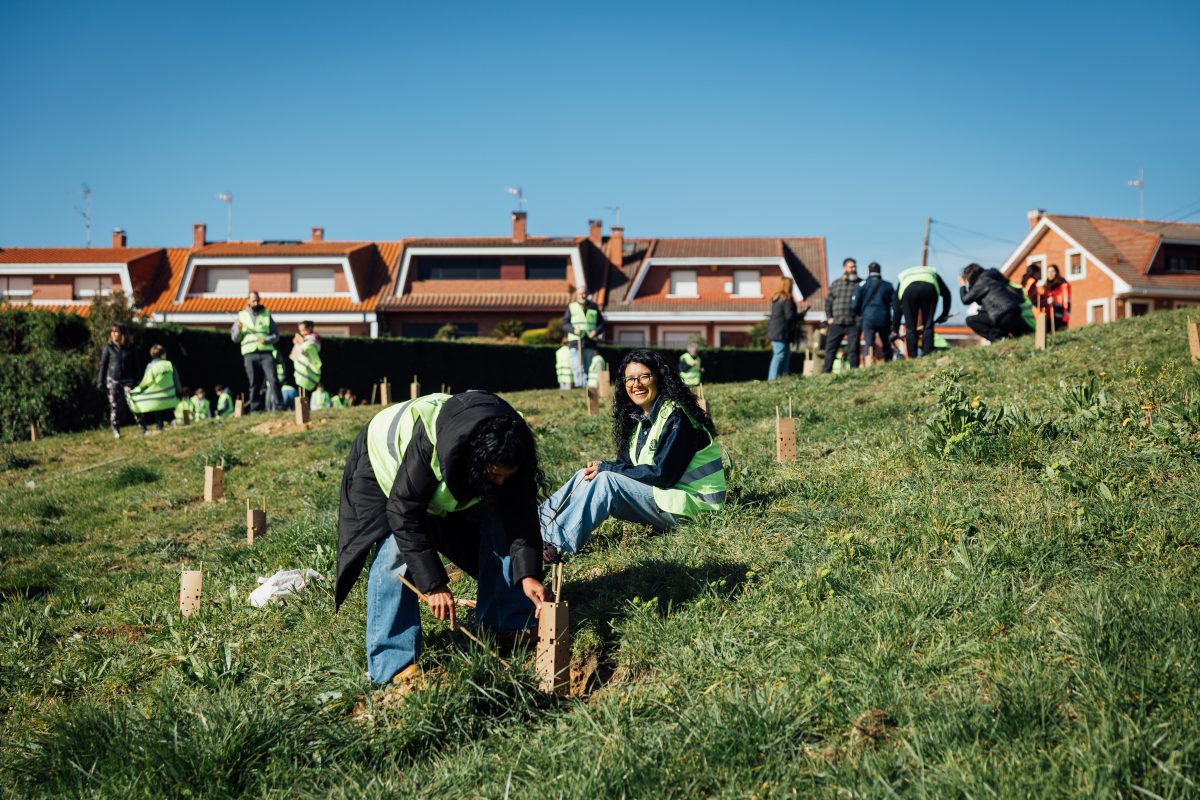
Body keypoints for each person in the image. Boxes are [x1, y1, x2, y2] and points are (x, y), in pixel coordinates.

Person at [335, 390, 548, 684]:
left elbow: (520, 519)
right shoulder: (431, 447)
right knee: (394, 549)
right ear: (477, 460)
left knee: (501, 518)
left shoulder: (513, 446)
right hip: (382, 463)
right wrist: (434, 584)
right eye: (495, 474)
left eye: (507, 476)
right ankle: (392, 665)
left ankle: (503, 624)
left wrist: (527, 574)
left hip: (445, 476)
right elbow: (404, 513)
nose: (501, 481)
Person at [540, 348, 725, 561]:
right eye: (630, 379)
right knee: (588, 473)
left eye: (644, 376)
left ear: (659, 378)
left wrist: (608, 469)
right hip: (669, 497)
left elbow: (663, 475)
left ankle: (555, 547)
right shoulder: (641, 420)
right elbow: (627, 467)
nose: (636, 384)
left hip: (697, 505)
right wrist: (604, 466)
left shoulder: (677, 418)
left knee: (606, 481)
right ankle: (535, 528)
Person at [230, 291, 281, 413]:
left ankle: (280, 405)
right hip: (249, 354)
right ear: (248, 300)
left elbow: (276, 335)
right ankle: (255, 408)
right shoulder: (241, 316)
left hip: (266, 353)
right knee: (254, 382)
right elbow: (235, 338)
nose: (256, 302)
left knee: (273, 379)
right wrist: (238, 329)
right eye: (253, 300)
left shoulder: (267, 315)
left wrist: (267, 340)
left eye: (257, 300)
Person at [960, 263, 1034, 342]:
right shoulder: (993, 276)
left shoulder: (981, 282)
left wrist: (962, 285)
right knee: (1025, 335)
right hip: (1014, 310)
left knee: (971, 320)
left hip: (1001, 315)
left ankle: (1000, 339)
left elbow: (965, 299)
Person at [891, 265, 952, 358]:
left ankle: (912, 357)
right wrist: (944, 314)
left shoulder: (904, 276)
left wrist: (895, 329)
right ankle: (928, 354)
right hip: (929, 287)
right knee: (928, 324)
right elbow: (947, 294)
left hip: (908, 290)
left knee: (910, 327)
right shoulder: (931, 272)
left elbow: (897, 307)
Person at [126, 344, 181, 434]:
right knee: (169, 408)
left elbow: (146, 381)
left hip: (156, 397)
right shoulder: (169, 364)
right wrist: (179, 390)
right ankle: (172, 422)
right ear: (163, 354)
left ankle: (160, 426)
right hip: (169, 395)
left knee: (158, 410)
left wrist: (139, 390)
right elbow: (176, 378)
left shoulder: (150, 367)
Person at [96, 324, 137, 439]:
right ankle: (116, 430)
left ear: (122, 334)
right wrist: (100, 381)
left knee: (133, 403)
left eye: (116, 332)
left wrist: (137, 380)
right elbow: (103, 365)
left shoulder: (130, 348)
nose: (114, 334)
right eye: (112, 332)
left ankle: (143, 427)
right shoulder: (108, 348)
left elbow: (135, 365)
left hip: (127, 380)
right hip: (113, 380)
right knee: (115, 406)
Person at [823, 258, 862, 373]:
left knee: (853, 349)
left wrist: (859, 320)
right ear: (844, 268)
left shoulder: (860, 284)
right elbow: (828, 302)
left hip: (853, 323)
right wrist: (829, 317)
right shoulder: (836, 283)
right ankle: (826, 372)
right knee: (830, 349)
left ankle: (854, 372)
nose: (853, 269)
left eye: (854, 267)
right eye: (851, 267)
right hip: (836, 322)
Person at [562, 288, 606, 387]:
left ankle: (589, 387)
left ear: (587, 294)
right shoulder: (571, 307)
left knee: (589, 367)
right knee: (577, 366)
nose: (582, 296)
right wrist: (574, 330)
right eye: (580, 294)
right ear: (577, 295)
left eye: (584, 294)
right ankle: (580, 386)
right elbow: (565, 324)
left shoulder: (593, 307)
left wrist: (596, 331)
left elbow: (602, 324)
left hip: (590, 342)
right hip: (575, 342)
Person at [852, 262, 895, 363]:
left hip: (868, 318)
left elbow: (854, 305)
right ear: (879, 270)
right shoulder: (888, 285)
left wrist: (859, 314)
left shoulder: (862, 285)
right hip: (884, 318)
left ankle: (869, 362)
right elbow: (894, 303)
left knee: (869, 342)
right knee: (886, 342)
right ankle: (888, 363)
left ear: (869, 271)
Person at [766, 278, 798, 380]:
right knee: (779, 356)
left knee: (785, 356)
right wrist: (799, 316)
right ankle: (772, 379)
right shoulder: (787, 299)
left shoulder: (777, 299)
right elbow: (790, 316)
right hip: (781, 332)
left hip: (776, 331)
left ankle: (783, 378)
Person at [291, 320, 322, 396]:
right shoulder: (305, 340)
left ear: (310, 328)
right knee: (302, 388)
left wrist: (297, 344)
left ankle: (305, 404)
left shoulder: (311, 340)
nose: (302, 333)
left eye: (304, 330)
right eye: (300, 331)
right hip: (303, 368)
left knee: (306, 388)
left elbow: (302, 349)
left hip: (308, 368)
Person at [1042, 264, 1071, 330]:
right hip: (1049, 317)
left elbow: (1067, 303)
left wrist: (1065, 320)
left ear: (1056, 272)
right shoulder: (1046, 286)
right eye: (1048, 272)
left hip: (1060, 317)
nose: (1050, 274)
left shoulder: (1063, 284)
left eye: (1052, 271)